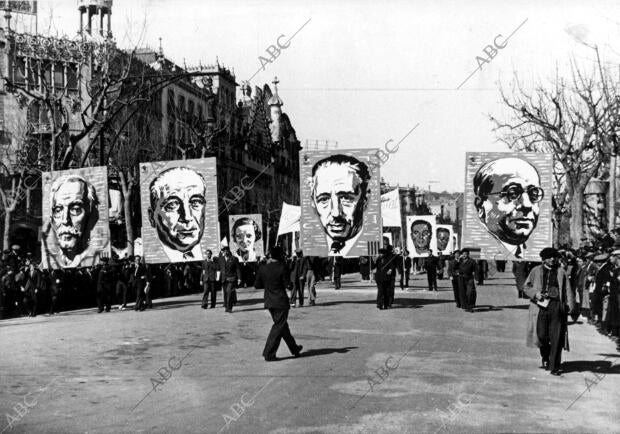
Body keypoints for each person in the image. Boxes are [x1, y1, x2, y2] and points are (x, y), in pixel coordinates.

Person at [473, 157, 544, 259]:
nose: (527, 205)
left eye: (533, 194)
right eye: (513, 193)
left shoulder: (530, 251)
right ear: (480, 206)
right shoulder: (480, 248)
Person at [523, 247, 575, 375]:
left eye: (554, 257)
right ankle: (545, 356)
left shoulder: (561, 272)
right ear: (543, 259)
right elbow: (526, 286)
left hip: (556, 306)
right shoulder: (535, 271)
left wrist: (570, 307)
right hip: (540, 307)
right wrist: (536, 294)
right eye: (549, 257)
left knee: (557, 337)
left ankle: (554, 366)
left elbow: (568, 290)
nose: (552, 259)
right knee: (541, 335)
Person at [309, 155, 372, 256]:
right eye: (324, 199)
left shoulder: (370, 248)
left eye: (346, 198)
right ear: (313, 202)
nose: (336, 213)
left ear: (364, 200)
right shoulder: (316, 250)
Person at [147, 167, 207, 262]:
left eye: (195, 202)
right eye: (172, 205)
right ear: (152, 217)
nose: (187, 217)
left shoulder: (211, 254)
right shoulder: (152, 257)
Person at [254, 246, 303, 362]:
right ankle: (269, 353)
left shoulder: (263, 268)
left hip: (269, 301)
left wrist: (268, 284)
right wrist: (290, 285)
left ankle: (295, 349)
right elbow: (288, 285)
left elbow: (257, 285)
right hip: (280, 301)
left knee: (282, 326)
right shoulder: (282, 267)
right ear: (280, 255)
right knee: (278, 326)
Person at [44, 174, 101, 268]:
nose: (65, 220)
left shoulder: (92, 259)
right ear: (51, 219)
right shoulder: (51, 262)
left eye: (75, 209)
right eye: (58, 210)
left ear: (90, 214)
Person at [219, 246, 241, 313]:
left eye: (226, 251)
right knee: (225, 293)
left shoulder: (234, 259)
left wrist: (239, 278)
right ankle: (226, 306)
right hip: (223, 279)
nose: (225, 252)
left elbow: (237, 269)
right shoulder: (221, 259)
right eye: (224, 251)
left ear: (228, 251)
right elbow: (218, 268)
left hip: (231, 278)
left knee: (229, 292)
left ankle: (229, 307)